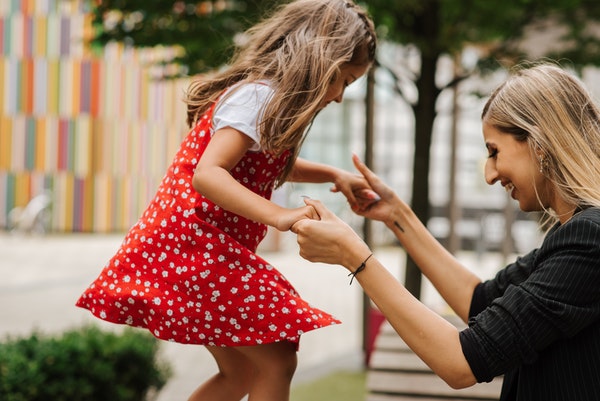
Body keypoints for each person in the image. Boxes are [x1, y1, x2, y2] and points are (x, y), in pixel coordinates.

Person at [76, 1, 377, 400]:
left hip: (200, 246)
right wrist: (280, 215)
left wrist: (333, 174)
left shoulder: (268, 101)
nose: (339, 95)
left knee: (242, 373)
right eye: (343, 79)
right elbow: (209, 173)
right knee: (278, 359)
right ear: (319, 56)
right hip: (191, 245)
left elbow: (268, 164)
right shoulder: (258, 96)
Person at [292, 63, 600, 401]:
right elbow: (479, 300)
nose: (489, 174)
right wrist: (397, 215)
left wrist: (354, 256)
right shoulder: (575, 234)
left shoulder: (589, 240)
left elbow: (461, 361)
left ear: (540, 142)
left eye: (494, 152)